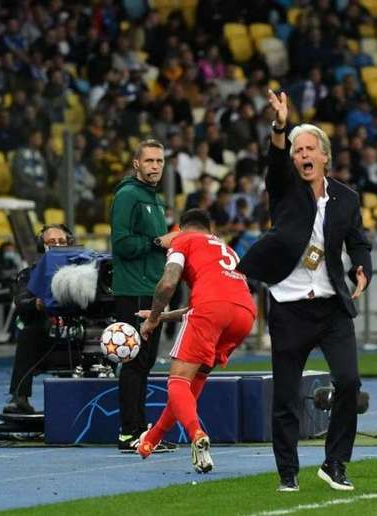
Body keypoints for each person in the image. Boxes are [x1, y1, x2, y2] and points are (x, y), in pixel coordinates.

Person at [236, 90, 372, 492]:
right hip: (289, 308)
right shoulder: (283, 188)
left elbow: (357, 239)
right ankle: (287, 473)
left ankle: (335, 464)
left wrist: (362, 267)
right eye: (297, 150)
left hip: (332, 307)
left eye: (310, 149)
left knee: (348, 383)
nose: (302, 155)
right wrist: (280, 126)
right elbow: (275, 161)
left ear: (325, 156)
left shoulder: (346, 198)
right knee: (286, 398)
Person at [134, 209, 256, 473]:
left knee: (177, 381)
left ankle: (196, 434)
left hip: (212, 309)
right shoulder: (225, 248)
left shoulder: (183, 241)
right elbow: (215, 301)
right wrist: (164, 316)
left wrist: (153, 318)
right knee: (191, 381)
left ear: (181, 228)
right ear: (209, 229)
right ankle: (152, 440)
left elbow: (167, 285)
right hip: (244, 314)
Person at [110, 138, 176, 451]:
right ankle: (129, 432)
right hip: (133, 290)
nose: (154, 167)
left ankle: (138, 429)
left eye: (159, 161)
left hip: (151, 290)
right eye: (149, 161)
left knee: (144, 363)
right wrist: (157, 242)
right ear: (136, 163)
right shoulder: (127, 196)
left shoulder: (153, 198)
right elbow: (121, 244)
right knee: (135, 362)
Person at [4, 225, 71, 414]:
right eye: (51, 242)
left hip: (80, 334)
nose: (57, 245)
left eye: (61, 242)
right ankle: (20, 397)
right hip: (46, 339)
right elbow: (21, 301)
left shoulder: (86, 271)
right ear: (42, 245)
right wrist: (39, 302)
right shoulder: (30, 274)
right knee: (27, 333)